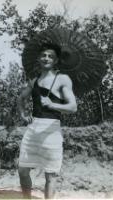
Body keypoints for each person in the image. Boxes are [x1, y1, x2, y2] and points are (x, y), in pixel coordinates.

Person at [17, 44, 77, 199]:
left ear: (56, 60)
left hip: (51, 129)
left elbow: (72, 107)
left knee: (50, 175)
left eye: (51, 56)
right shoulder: (34, 81)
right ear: (38, 58)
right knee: (23, 171)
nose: (46, 58)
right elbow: (21, 98)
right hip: (33, 128)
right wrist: (23, 115)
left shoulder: (62, 79)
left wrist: (52, 104)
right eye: (43, 55)